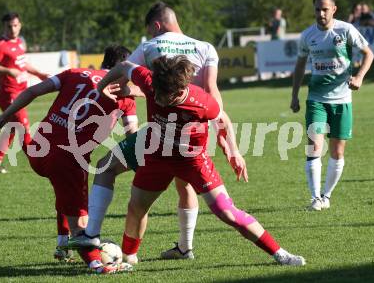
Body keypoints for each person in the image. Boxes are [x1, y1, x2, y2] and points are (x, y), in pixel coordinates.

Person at [67, 1, 247, 260]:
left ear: (156, 25)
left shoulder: (151, 46)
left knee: (107, 166)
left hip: (159, 134)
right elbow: (211, 92)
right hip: (195, 131)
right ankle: (185, 248)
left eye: (150, 30)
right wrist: (223, 136)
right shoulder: (205, 48)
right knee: (184, 187)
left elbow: (130, 78)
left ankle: (95, 235)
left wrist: (119, 90)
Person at [96, 55, 305, 266]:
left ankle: (281, 254)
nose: (156, 98)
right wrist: (102, 87)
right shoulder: (152, 81)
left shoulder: (202, 102)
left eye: (163, 96)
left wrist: (234, 152)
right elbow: (123, 66)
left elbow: (222, 120)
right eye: (155, 92)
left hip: (192, 161)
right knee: (136, 207)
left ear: (178, 92)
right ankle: (128, 258)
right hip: (156, 157)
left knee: (227, 212)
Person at [0, 45, 138, 274]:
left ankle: (62, 244)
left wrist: (4, 116)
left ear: (103, 63)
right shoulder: (123, 94)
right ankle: (98, 265)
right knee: (82, 226)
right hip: (68, 159)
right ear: (124, 69)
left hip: (40, 151)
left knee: (64, 193)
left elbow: (31, 92)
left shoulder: (74, 73)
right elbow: (132, 137)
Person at [290, 0, 374, 211]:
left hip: (343, 100)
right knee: (315, 146)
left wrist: (359, 77)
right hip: (316, 99)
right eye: (317, 9)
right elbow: (300, 66)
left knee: (337, 152)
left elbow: (369, 54)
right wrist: (294, 95)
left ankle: (326, 195)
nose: (321, 13)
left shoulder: (346, 30)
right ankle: (315, 197)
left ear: (333, 10)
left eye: (325, 9)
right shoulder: (308, 36)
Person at [0, 12, 49, 173]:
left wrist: (39, 74)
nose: (13, 29)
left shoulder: (20, 43)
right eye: (9, 26)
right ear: (4, 27)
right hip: (9, 94)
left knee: (13, 128)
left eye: (15, 25)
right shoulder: (1, 45)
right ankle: (39, 163)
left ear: (20, 25)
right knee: (22, 126)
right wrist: (8, 71)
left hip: (21, 92)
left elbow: (23, 63)